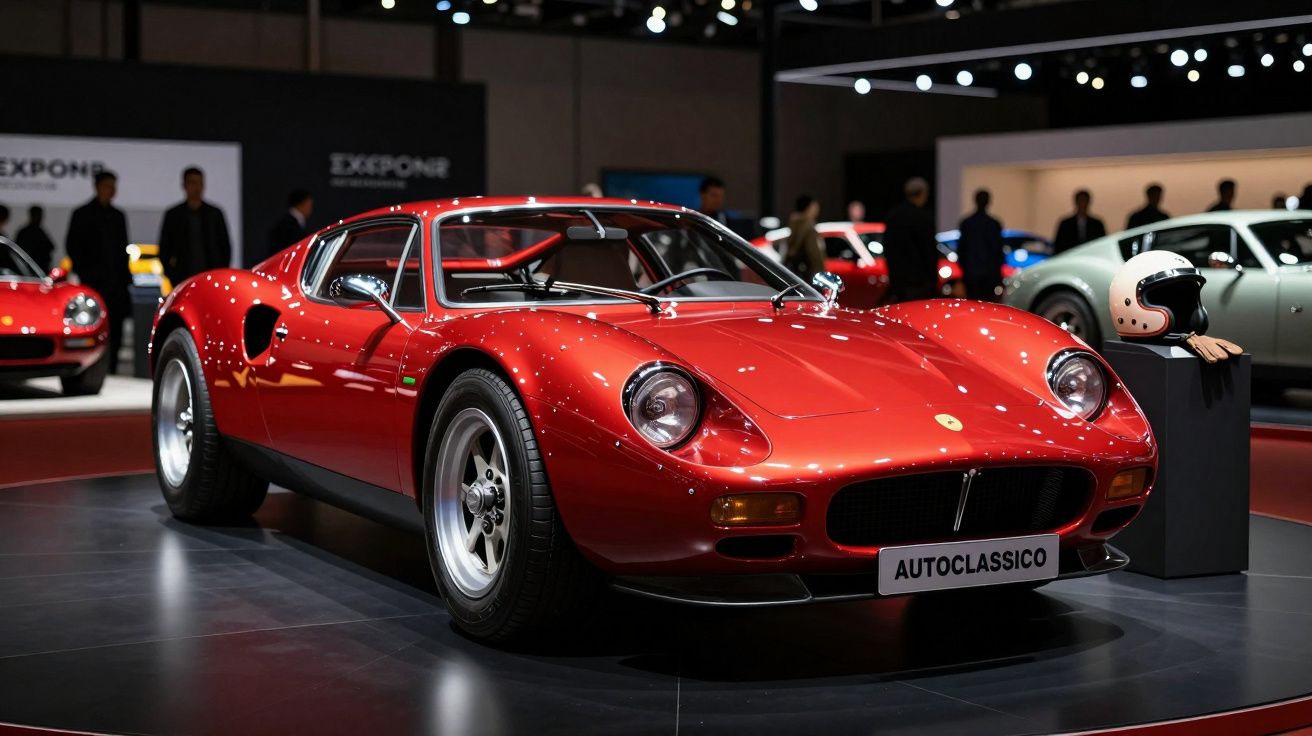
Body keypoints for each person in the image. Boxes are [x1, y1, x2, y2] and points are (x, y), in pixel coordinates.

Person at [66, 171, 130, 374]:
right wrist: (86, 271)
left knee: (116, 329)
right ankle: (92, 368)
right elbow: (73, 246)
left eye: (114, 186)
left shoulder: (118, 217)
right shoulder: (82, 214)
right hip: (94, 283)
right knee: (92, 325)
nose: (111, 190)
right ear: (98, 186)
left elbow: (122, 250)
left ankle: (112, 368)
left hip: (116, 284)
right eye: (108, 185)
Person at [158, 166, 232, 285]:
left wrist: (220, 273)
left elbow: (225, 246)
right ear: (184, 185)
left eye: (200, 183)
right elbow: (164, 248)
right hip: (182, 277)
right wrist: (171, 275)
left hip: (211, 277)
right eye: (192, 183)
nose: (197, 188)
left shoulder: (214, 214)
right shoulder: (174, 215)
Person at [882, 177, 939, 303]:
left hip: (898, 281)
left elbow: (888, 249)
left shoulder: (893, 216)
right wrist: (933, 280)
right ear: (922, 193)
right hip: (920, 283)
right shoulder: (923, 217)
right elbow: (928, 251)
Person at [956, 189, 1005, 302]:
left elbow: (962, 250)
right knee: (988, 304)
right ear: (989, 202)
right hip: (989, 274)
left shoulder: (967, 223)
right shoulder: (994, 224)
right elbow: (997, 251)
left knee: (973, 303)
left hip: (971, 273)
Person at [782, 195, 824, 278]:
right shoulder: (808, 227)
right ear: (808, 208)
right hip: (809, 276)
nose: (817, 208)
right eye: (814, 206)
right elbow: (814, 254)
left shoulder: (795, 224)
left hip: (797, 274)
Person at [1053, 190, 1106, 254]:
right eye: (1080, 200)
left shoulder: (1097, 224)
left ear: (1088, 202)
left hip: (1091, 257)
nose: (1082, 204)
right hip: (1070, 258)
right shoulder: (1065, 224)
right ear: (1076, 202)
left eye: (1085, 201)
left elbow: (1102, 244)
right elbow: (1058, 245)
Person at [267, 189, 313, 257]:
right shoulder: (289, 226)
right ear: (301, 204)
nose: (310, 209)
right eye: (309, 205)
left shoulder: (287, 223)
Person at [16, 205, 56, 272]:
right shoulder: (34, 231)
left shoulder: (27, 231)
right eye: (38, 215)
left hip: (33, 268)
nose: (40, 218)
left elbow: (51, 247)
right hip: (32, 268)